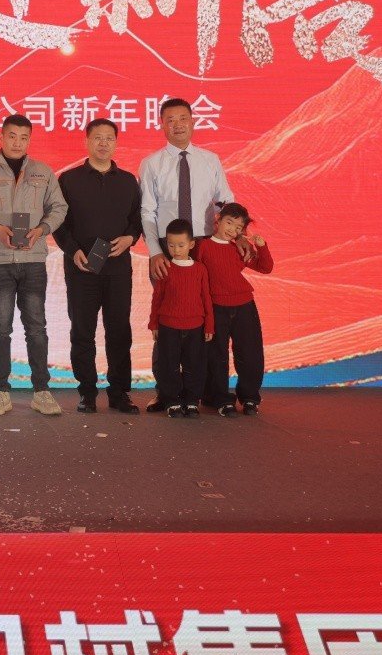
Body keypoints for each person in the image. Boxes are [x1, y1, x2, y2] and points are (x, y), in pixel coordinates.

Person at [0, 114, 69, 416]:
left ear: (29, 140)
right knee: (0, 328)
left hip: (33, 260)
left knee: (36, 327)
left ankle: (42, 391)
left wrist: (43, 229)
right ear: (1, 137)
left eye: (23, 137)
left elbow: (59, 207)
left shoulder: (42, 172)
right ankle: (0, 392)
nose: (17, 142)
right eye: (12, 136)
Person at [54, 118, 142, 415]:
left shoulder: (128, 181)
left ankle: (119, 393)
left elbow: (137, 220)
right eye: (97, 138)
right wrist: (73, 251)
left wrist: (130, 238)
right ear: (87, 141)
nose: (103, 143)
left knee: (119, 331)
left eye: (109, 138)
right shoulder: (68, 180)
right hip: (82, 269)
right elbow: (59, 223)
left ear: (116, 143)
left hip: (118, 269)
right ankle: (87, 392)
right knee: (82, 331)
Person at [140, 97, 235, 282]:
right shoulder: (150, 164)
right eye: (170, 120)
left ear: (192, 122)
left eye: (183, 118)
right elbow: (147, 212)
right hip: (168, 246)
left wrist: (235, 235)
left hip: (206, 242)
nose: (178, 125)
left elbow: (225, 202)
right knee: (171, 299)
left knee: (211, 297)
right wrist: (155, 252)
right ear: (162, 125)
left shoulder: (210, 160)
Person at [194, 202, 274, 416]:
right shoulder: (202, 246)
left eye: (238, 228)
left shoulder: (239, 247)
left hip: (244, 306)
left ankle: (250, 398)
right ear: (218, 220)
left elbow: (265, 268)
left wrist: (261, 247)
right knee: (216, 355)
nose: (232, 230)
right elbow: (196, 277)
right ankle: (219, 399)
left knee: (250, 353)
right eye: (229, 223)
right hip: (216, 307)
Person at [145, 219, 213, 418]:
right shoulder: (165, 268)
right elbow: (157, 298)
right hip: (168, 327)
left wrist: (209, 325)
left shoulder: (200, 269)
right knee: (168, 366)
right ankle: (172, 401)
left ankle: (191, 401)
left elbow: (206, 298)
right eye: (171, 245)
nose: (176, 250)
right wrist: (154, 324)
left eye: (181, 245)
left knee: (194, 365)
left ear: (191, 244)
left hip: (195, 327)